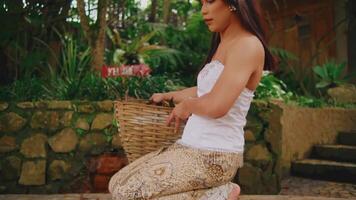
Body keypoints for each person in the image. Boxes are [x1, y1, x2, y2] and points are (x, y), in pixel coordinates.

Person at [108, 0, 275, 199]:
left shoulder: (248, 45)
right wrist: (168, 96)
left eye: (210, 2)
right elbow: (204, 90)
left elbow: (217, 104)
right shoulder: (224, 43)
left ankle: (221, 194)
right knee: (117, 182)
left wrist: (187, 106)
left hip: (214, 155)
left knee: (127, 193)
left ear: (233, 3)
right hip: (189, 146)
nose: (204, 10)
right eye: (202, 3)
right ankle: (212, 193)